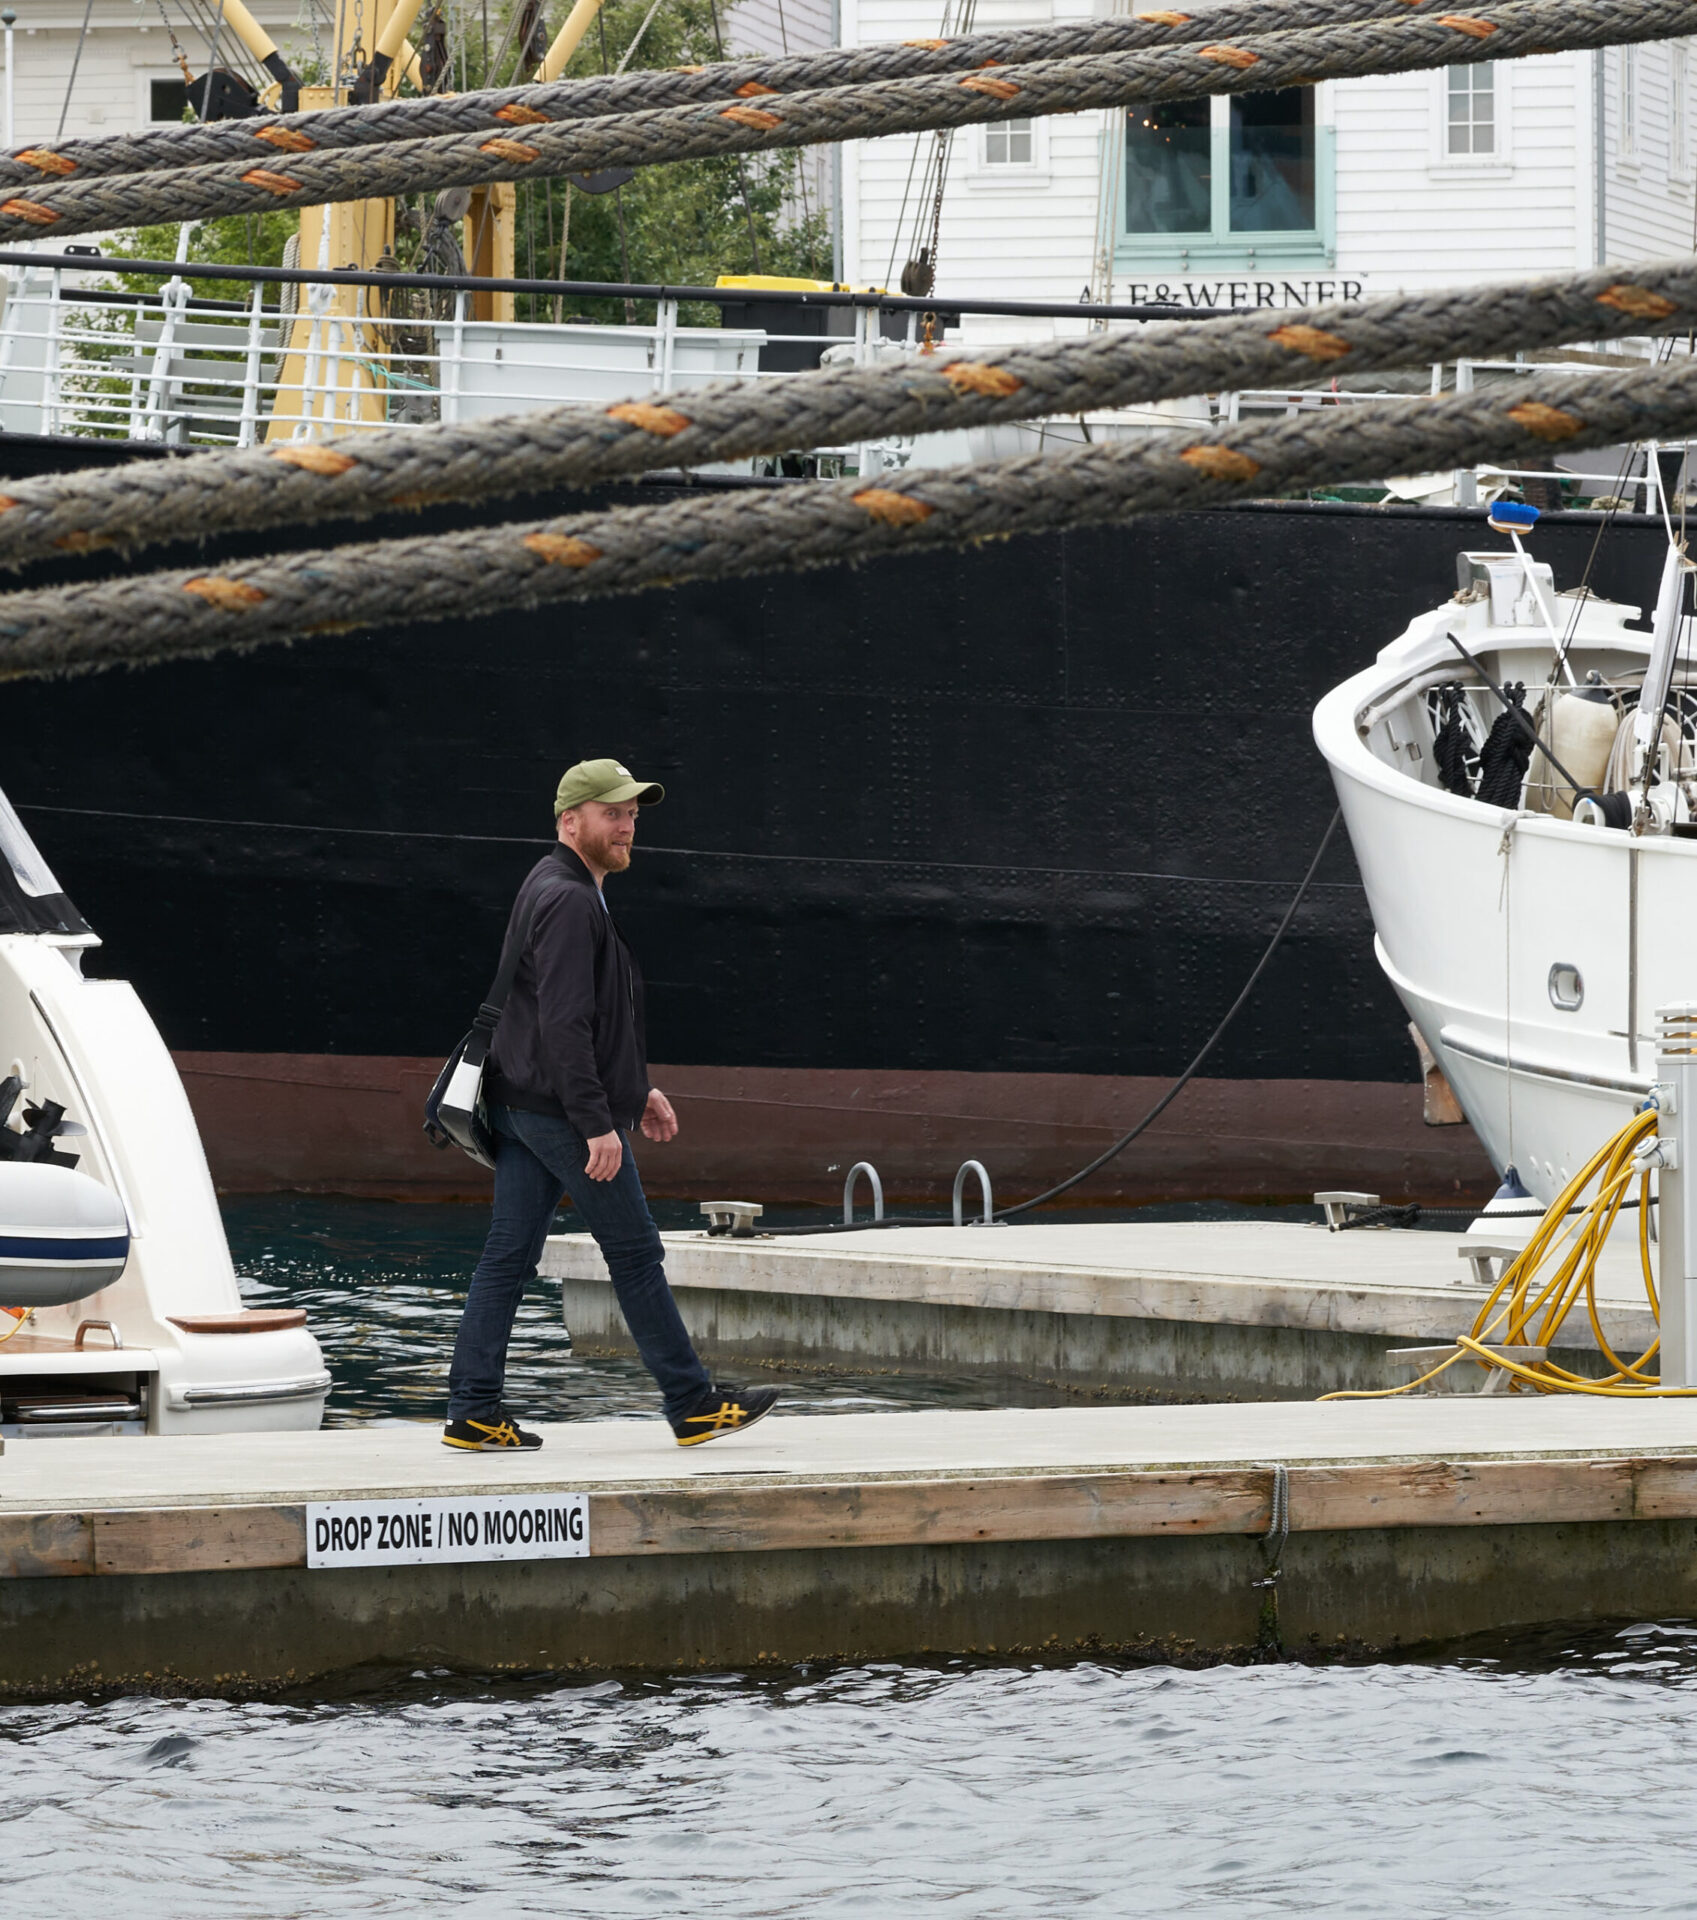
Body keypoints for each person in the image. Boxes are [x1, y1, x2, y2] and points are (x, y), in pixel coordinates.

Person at [443, 758, 778, 1452]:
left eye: (631, 814)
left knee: (507, 1258)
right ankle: (691, 1403)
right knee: (634, 1252)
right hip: (559, 1113)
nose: (626, 826)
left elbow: (561, 1015)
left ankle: (471, 1411)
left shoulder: (549, 882)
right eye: (611, 813)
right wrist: (597, 1121)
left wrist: (634, 1090)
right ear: (571, 821)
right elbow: (565, 1024)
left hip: (521, 1104)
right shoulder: (570, 899)